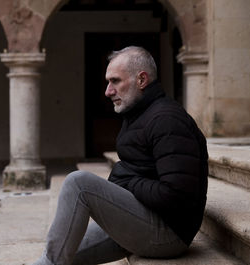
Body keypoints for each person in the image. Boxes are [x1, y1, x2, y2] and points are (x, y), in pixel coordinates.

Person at [32, 46, 208, 265]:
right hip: (144, 217)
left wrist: (127, 181)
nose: (108, 91)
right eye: (108, 82)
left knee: (78, 183)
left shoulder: (167, 120)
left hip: (168, 234)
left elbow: (176, 196)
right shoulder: (138, 114)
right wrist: (127, 180)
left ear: (142, 80)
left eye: (115, 81)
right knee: (59, 251)